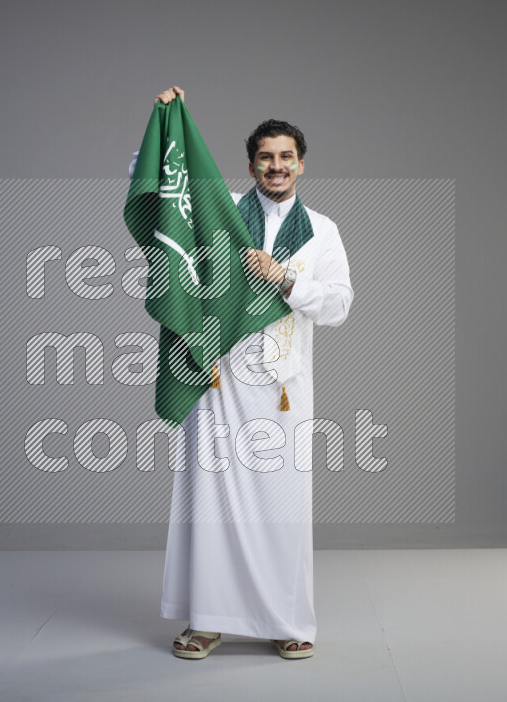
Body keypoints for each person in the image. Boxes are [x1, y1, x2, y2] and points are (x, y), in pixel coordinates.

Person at [128, 86, 354, 659]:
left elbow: (339, 305)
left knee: (283, 508)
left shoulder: (321, 230)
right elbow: (165, 191)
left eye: (286, 157)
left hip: (282, 388)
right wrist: (165, 122)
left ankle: (287, 620)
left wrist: (285, 279)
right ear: (251, 164)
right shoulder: (220, 212)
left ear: (301, 164)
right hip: (217, 378)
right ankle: (207, 620)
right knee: (210, 505)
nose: (276, 166)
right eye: (265, 157)